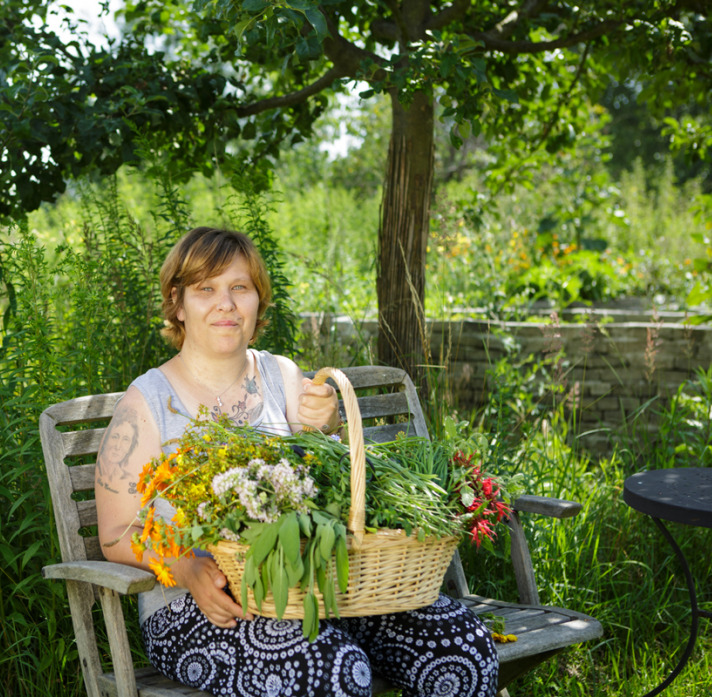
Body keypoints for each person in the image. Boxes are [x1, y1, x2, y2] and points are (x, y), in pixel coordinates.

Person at [95, 227, 499, 697]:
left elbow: (324, 482)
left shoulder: (280, 375)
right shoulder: (147, 402)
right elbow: (115, 534)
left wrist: (326, 424)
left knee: (461, 642)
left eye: (239, 288)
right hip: (200, 606)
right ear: (178, 303)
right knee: (331, 668)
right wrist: (185, 568)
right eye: (206, 288)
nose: (225, 304)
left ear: (258, 301)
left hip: (316, 586)